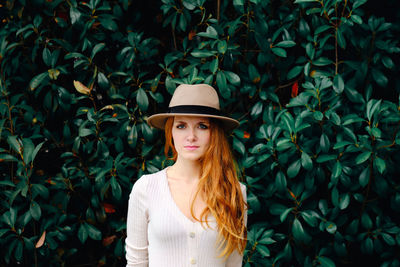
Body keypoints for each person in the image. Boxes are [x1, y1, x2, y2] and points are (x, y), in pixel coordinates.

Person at [125, 84, 247, 267]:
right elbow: (136, 263)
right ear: (171, 131)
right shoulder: (146, 189)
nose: (191, 136)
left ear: (214, 133)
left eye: (202, 126)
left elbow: (234, 264)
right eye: (181, 126)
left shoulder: (234, 191)